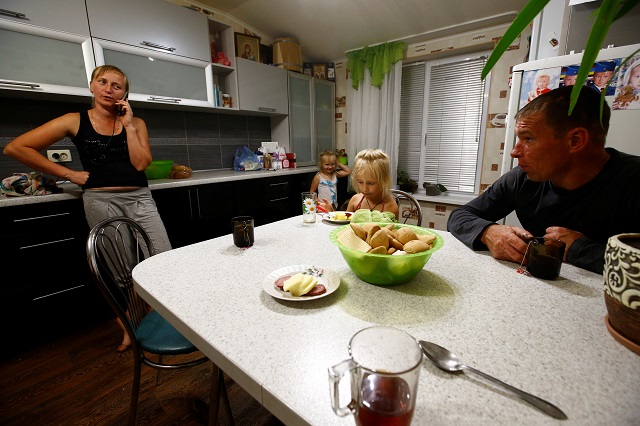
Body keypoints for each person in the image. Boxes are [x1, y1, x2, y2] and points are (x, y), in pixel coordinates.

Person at [3, 65, 172, 352]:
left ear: (124, 93)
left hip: (141, 198)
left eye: (117, 85)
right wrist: (69, 174)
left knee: (163, 259)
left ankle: (153, 315)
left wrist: (129, 125)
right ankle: (131, 321)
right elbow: (16, 148)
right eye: (103, 82)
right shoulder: (74, 120)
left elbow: (142, 164)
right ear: (91, 86)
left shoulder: (137, 123)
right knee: (121, 269)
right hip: (101, 201)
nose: (109, 89)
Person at [447, 85, 640, 274]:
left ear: (575, 141)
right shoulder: (521, 180)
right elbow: (459, 216)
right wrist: (488, 231)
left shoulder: (632, 181)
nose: (514, 152)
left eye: (528, 139)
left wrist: (579, 249)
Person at [320, 148, 399, 219]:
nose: (364, 189)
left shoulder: (390, 207)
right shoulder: (355, 200)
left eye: (370, 183)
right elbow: (344, 227)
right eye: (360, 182)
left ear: (383, 181)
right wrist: (331, 214)